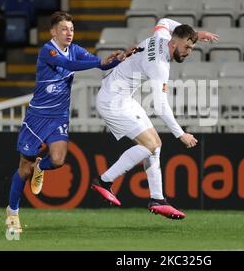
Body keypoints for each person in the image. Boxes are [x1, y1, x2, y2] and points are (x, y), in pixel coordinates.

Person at [5, 11, 127, 233]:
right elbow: (68, 65)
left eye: (71, 29)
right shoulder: (48, 50)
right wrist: (98, 62)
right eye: (64, 29)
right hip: (37, 117)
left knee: (59, 160)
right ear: (53, 32)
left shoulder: (75, 49)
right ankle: (12, 213)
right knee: (23, 169)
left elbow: (97, 64)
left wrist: (115, 61)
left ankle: (40, 166)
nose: (69, 33)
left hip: (59, 116)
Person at [91, 18, 219, 219]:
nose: (188, 52)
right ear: (174, 43)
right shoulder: (160, 65)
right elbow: (160, 106)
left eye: (192, 47)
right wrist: (181, 134)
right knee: (152, 144)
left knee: (154, 146)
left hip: (122, 96)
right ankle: (104, 180)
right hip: (112, 101)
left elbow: (164, 21)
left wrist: (196, 34)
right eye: (187, 47)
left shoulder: (162, 36)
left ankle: (157, 199)